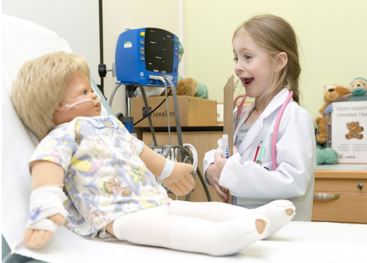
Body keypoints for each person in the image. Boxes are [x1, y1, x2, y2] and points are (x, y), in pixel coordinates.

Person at [11, 51, 296, 256]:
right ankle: (220, 240)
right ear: (53, 106)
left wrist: (170, 170)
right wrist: (44, 214)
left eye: (92, 90)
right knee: (170, 230)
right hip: (117, 217)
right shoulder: (65, 134)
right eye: (83, 92)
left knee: (199, 210)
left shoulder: (110, 127)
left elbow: (141, 151)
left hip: (152, 200)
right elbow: (47, 168)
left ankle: (254, 219)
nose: (94, 97)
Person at [204, 14, 316, 221]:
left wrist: (232, 172)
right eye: (236, 58)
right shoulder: (241, 116)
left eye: (247, 57)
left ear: (279, 62)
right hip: (246, 230)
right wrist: (211, 167)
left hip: (283, 235)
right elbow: (224, 151)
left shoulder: (293, 117)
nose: (238, 66)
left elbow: (294, 181)